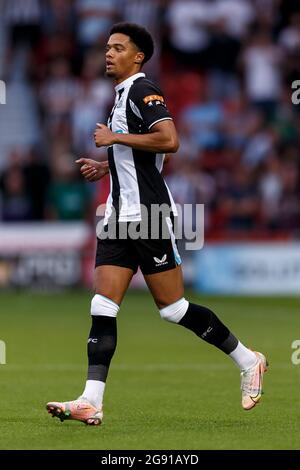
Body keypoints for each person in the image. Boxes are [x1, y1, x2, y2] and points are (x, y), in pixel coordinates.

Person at [46, 22, 268, 426]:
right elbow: (139, 158)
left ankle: (249, 359)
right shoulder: (119, 97)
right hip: (117, 216)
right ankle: (91, 400)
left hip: (148, 215)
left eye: (118, 48)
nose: (108, 53)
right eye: (107, 47)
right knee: (102, 304)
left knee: (173, 309)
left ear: (138, 57)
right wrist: (107, 165)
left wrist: (115, 141)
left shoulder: (143, 91)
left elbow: (169, 140)